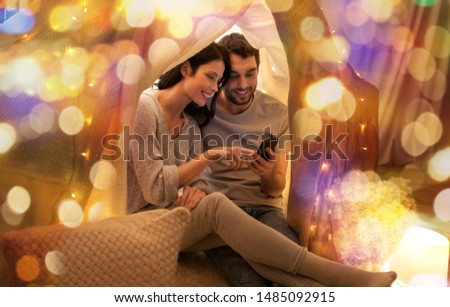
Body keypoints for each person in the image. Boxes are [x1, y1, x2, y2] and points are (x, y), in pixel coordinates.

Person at [126, 42, 397, 287]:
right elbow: (154, 189)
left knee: (261, 253)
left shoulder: (191, 125)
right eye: (216, 77)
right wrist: (210, 157)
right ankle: (338, 275)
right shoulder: (147, 105)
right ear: (186, 69)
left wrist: (199, 189)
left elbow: (199, 182)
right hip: (148, 224)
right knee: (219, 207)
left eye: (217, 79)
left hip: (194, 215)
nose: (216, 86)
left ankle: (332, 287)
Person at [201, 33, 297, 286]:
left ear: (259, 71)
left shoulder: (278, 113)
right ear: (220, 74)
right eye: (234, 76)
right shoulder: (200, 111)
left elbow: (276, 187)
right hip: (222, 216)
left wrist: (266, 173)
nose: (243, 84)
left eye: (250, 73)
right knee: (250, 283)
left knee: (292, 273)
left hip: (266, 211)